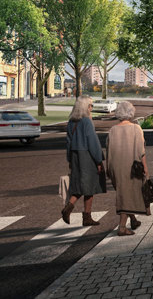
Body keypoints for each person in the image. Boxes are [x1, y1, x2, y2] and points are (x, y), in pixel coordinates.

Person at [106, 101, 148, 236]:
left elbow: (108, 150)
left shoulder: (112, 130)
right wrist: (146, 168)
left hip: (116, 166)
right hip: (132, 166)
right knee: (127, 194)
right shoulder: (136, 128)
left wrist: (109, 169)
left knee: (124, 192)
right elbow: (141, 151)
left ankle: (134, 220)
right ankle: (122, 227)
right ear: (131, 112)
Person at [62, 96, 105, 226]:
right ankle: (86, 217)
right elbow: (93, 143)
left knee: (79, 185)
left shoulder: (71, 122)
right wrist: (99, 160)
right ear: (85, 107)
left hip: (75, 156)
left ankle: (69, 206)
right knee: (90, 187)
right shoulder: (87, 122)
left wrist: (69, 159)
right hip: (87, 156)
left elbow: (68, 142)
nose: (92, 108)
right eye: (90, 105)